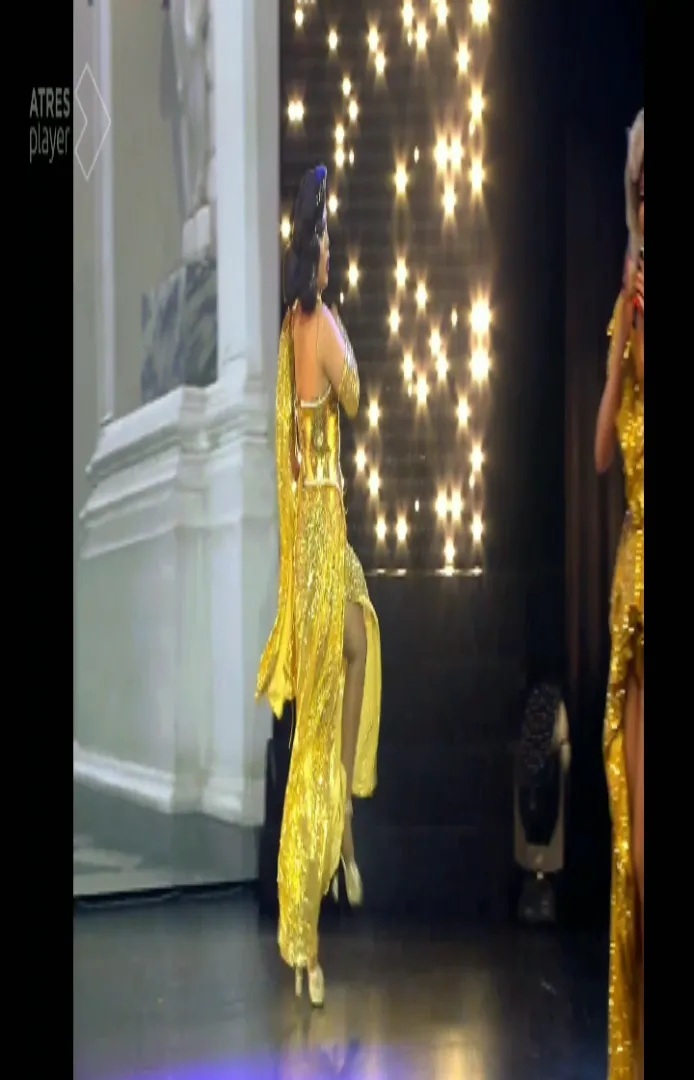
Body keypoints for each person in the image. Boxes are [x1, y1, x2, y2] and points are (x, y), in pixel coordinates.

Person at [256, 165, 382, 1008]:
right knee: (318, 727)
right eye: (328, 245)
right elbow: (357, 398)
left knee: (361, 640)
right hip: (320, 536)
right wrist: (347, 365)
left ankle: (342, 828)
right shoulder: (322, 324)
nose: (333, 256)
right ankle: (307, 931)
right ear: (316, 253)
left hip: (318, 531)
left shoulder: (289, 329)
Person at [594, 108, 644, 1080]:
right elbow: (602, 450)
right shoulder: (627, 307)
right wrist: (619, 354)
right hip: (637, 585)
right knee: (637, 847)